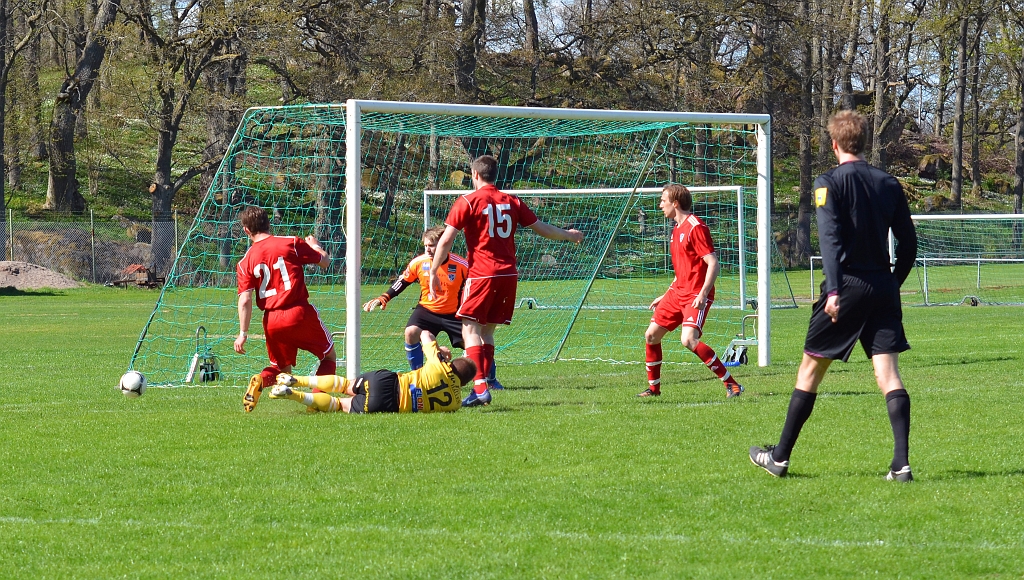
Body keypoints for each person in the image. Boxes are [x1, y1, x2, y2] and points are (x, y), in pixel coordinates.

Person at [749, 110, 918, 481]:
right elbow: (909, 243)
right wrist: (894, 283)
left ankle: (778, 458)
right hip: (882, 288)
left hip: (848, 288)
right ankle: (901, 464)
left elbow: (829, 240)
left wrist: (836, 289)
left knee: (810, 369)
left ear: (834, 144)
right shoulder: (889, 183)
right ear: (865, 142)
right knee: (888, 374)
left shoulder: (829, 182)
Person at [429, 154, 584, 407]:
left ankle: (479, 388)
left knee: (470, 328)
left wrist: (434, 270)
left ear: (475, 175)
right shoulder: (512, 200)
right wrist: (568, 234)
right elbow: (541, 227)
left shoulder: (467, 201)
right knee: (488, 330)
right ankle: (488, 380)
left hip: (482, 273)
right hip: (509, 274)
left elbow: (445, 240)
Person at [362, 225, 504, 389]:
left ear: (445, 244)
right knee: (410, 332)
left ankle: (491, 380)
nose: (428, 250)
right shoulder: (419, 263)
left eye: (432, 245)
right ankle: (419, 378)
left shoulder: (461, 265)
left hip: (455, 313)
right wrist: (385, 297)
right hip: (427, 311)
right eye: (425, 246)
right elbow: (403, 281)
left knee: (475, 343)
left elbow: (476, 285)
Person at [639, 184, 744, 399]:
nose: (660, 205)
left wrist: (703, 294)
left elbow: (713, 263)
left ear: (675, 203)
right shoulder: (676, 229)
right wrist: (666, 294)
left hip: (695, 295)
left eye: (663, 200)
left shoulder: (696, 227)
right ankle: (654, 390)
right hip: (677, 292)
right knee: (651, 335)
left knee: (688, 340)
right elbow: (682, 270)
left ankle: (732, 385)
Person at [234, 206, 337, 413]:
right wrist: (316, 247)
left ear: (246, 230)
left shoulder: (245, 262)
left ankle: (261, 380)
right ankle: (316, 402)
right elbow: (325, 262)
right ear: (268, 223)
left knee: (281, 370)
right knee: (328, 357)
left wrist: (242, 333)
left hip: (271, 320)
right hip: (298, 312)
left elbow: (245, 299)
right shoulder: (291, 242)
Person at [268, 335, 476, 414]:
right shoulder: (456, 404)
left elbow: (424, 334)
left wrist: (439, 350)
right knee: (340, 404)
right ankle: (293, 394)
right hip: (390, 405)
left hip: (387, 382)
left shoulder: (440, 365)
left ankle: (297, 380)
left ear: (452, 364)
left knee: (344, 385)